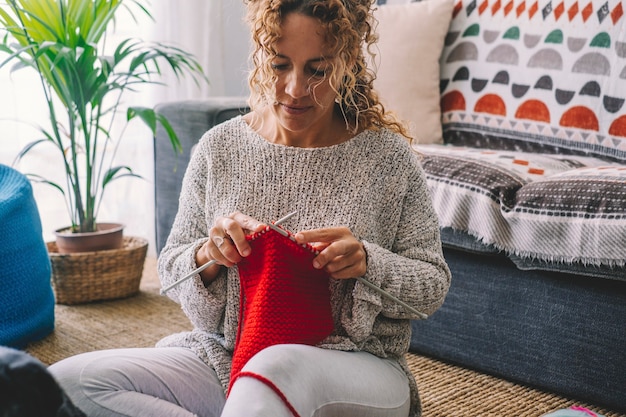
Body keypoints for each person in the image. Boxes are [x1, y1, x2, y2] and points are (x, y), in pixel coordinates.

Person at [49, 0, 451, 416]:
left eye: (317, 69)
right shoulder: (219, 148)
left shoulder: (388, 159)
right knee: (66, 383)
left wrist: (369, 262)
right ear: (260, 54)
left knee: (272, 368)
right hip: (229, 360)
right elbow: (170, 269)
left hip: (360, 370)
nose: (295, 88)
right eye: (279, 65)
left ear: (348, 62)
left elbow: (432, 287)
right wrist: (208, 255)